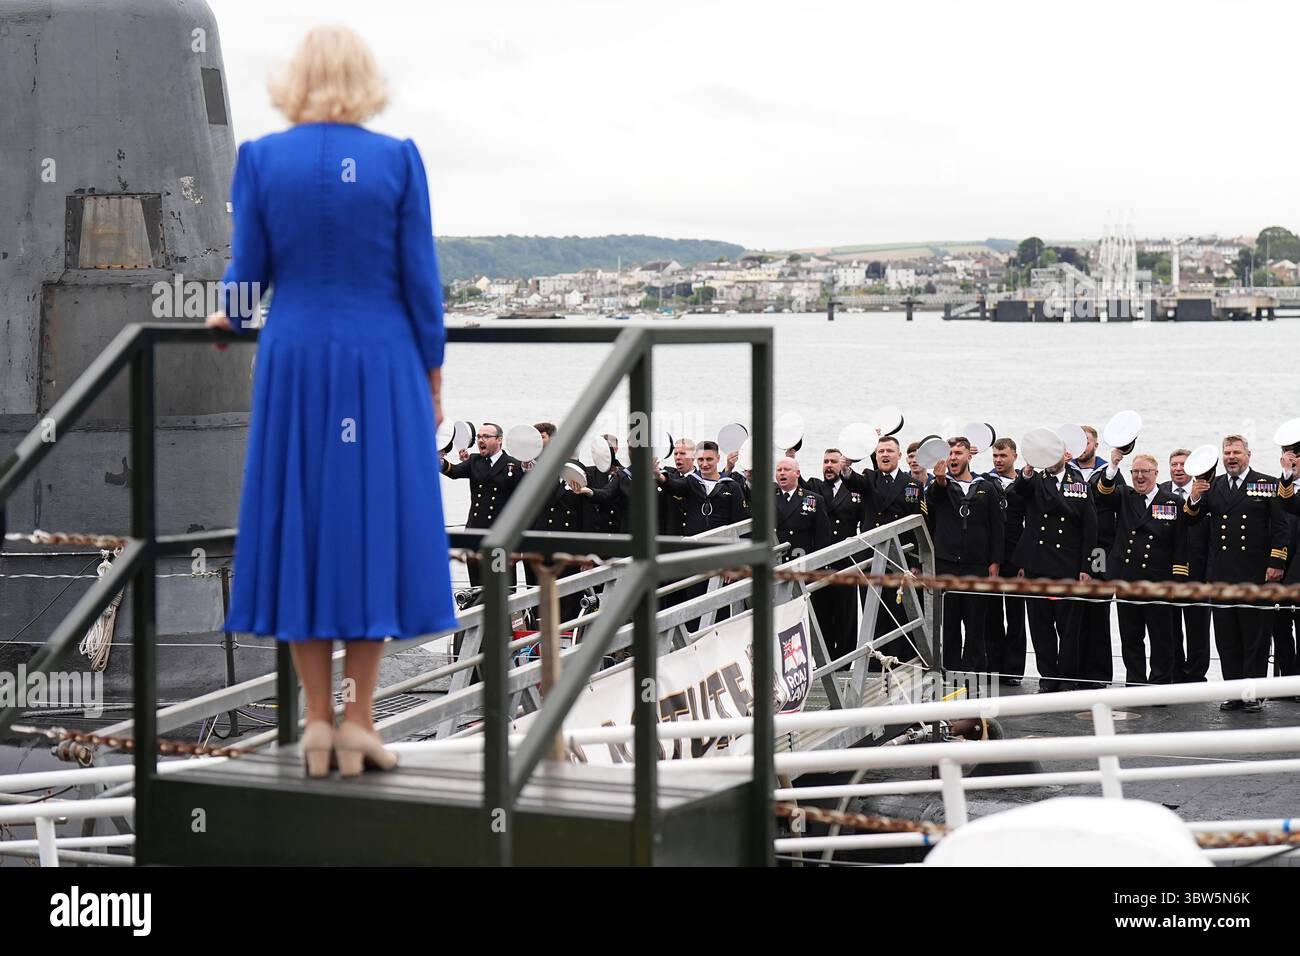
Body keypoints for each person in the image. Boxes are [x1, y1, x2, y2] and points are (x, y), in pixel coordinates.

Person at [205, 26, 456, 776]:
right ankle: (360, 720)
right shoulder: (397, 160)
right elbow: (421, 283)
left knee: (301, 528)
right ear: (363, 79)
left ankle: (314, 723)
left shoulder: (260, 160)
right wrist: (434, 375)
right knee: (372, 527)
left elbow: (247, 274)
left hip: (295, 363)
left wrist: (229, 317)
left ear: (296, 80)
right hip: (381, 364)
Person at [1185, 435, 1289, 712]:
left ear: (1248, 455)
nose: (1231, 457)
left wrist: (1276, 563)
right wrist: (1194, 498)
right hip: (1221, 574)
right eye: (1227, 452)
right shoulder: (1214, 486)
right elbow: (1191, 519)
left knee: (1255, 637)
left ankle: (1252, 694)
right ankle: (1234, 691)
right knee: (1227, 637)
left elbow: (1281, 527)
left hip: (1256, 574)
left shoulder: (1266, 484)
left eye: (1236, 452)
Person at [1095, 451, 1189, 685]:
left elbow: (1180, 544)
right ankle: (1135, 683)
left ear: (1156, 474)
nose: (1139, 476)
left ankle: (1159, 685)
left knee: (1161, 640)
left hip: (1157, 581)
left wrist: (1176, 582)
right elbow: (1102, 494)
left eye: (1144, 472)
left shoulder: (1172, 502)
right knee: (1131, 638)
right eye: (1135, 472)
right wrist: (1113, 465)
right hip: (1127, 580)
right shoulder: (1125, 496)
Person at [1008, 450, 1098, 692]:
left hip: (1067, 566)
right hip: (1037, 565)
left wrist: (1087, 567)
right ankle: (1047, 678)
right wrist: (1026, 472)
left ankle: (1067, 678)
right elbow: (1013, 496)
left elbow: (1090, 528)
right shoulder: (1034, 480)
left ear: (1066, 456)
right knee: (1040, 626)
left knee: (1068, 627)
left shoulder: (1079, 484)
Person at [840, 434, 925, 664]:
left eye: (889, 451)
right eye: (880, 451)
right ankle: (876, 662)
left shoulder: (913, 486)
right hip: (872, 557)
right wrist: (846, 468)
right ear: (875, 456)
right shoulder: (869, 478)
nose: (885, 455)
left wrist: (917, 562)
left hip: (902, 558)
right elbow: (853, 481)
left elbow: (920, 525)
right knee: (873, 612)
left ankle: (900, 660)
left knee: (900, 611)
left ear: (899, 455)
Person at [925, 438, 1003, 675]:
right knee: (949, 623)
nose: (953, 458)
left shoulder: (986, 487)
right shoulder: (940, 485)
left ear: (969, 455)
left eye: (958, 453)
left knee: (975, 622)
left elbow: (997, 526)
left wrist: (995, 561)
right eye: (949, 453)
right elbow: (931, 502)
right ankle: (950, 670)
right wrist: (939, 481)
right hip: (947, 563)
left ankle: (973, 670)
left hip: (976, 564)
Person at [804, 448, 869, 662]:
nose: (828, 466)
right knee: (821, 614)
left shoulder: (855, 490)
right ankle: (823, 662)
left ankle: (844, 663)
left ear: (843, 464)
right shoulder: (815, 486)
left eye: (833, 461)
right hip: (821, 560)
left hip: (846, 561)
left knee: (846, 616)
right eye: (825, 461)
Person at [440, 422, 526, 584]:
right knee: (477, 585)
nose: (481, 440)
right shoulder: (474, 461)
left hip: (500, 537)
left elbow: (522, 504)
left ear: (499, 440)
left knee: (501, 585)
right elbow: (454, 472)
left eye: (486, 436)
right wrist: (438, 460)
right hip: (474, 533)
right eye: (479, 436)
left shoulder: (513, 464)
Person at [1161, 448, 1212, 681]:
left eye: (1182, 465)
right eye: (1174, 465)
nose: (1178, 469)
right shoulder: (1158, 491)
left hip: (1198, 570)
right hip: (1167, 571)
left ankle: (1195, 677)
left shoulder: (1205, 492)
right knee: (1169, 628)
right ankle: (1173, 673)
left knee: (1198, 629)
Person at [985, 437, 1027, 685]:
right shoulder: (987, 482)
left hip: (1016, 555)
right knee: (991, 615)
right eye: (995, 456)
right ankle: (993, 665)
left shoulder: (1024, 484)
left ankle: (1013, 671)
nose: (999, 461)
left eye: (1003, 456)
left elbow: (1031, 523)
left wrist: (1024, 562)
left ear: (1014, 456)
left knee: (1015, 615)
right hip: (992, 557)